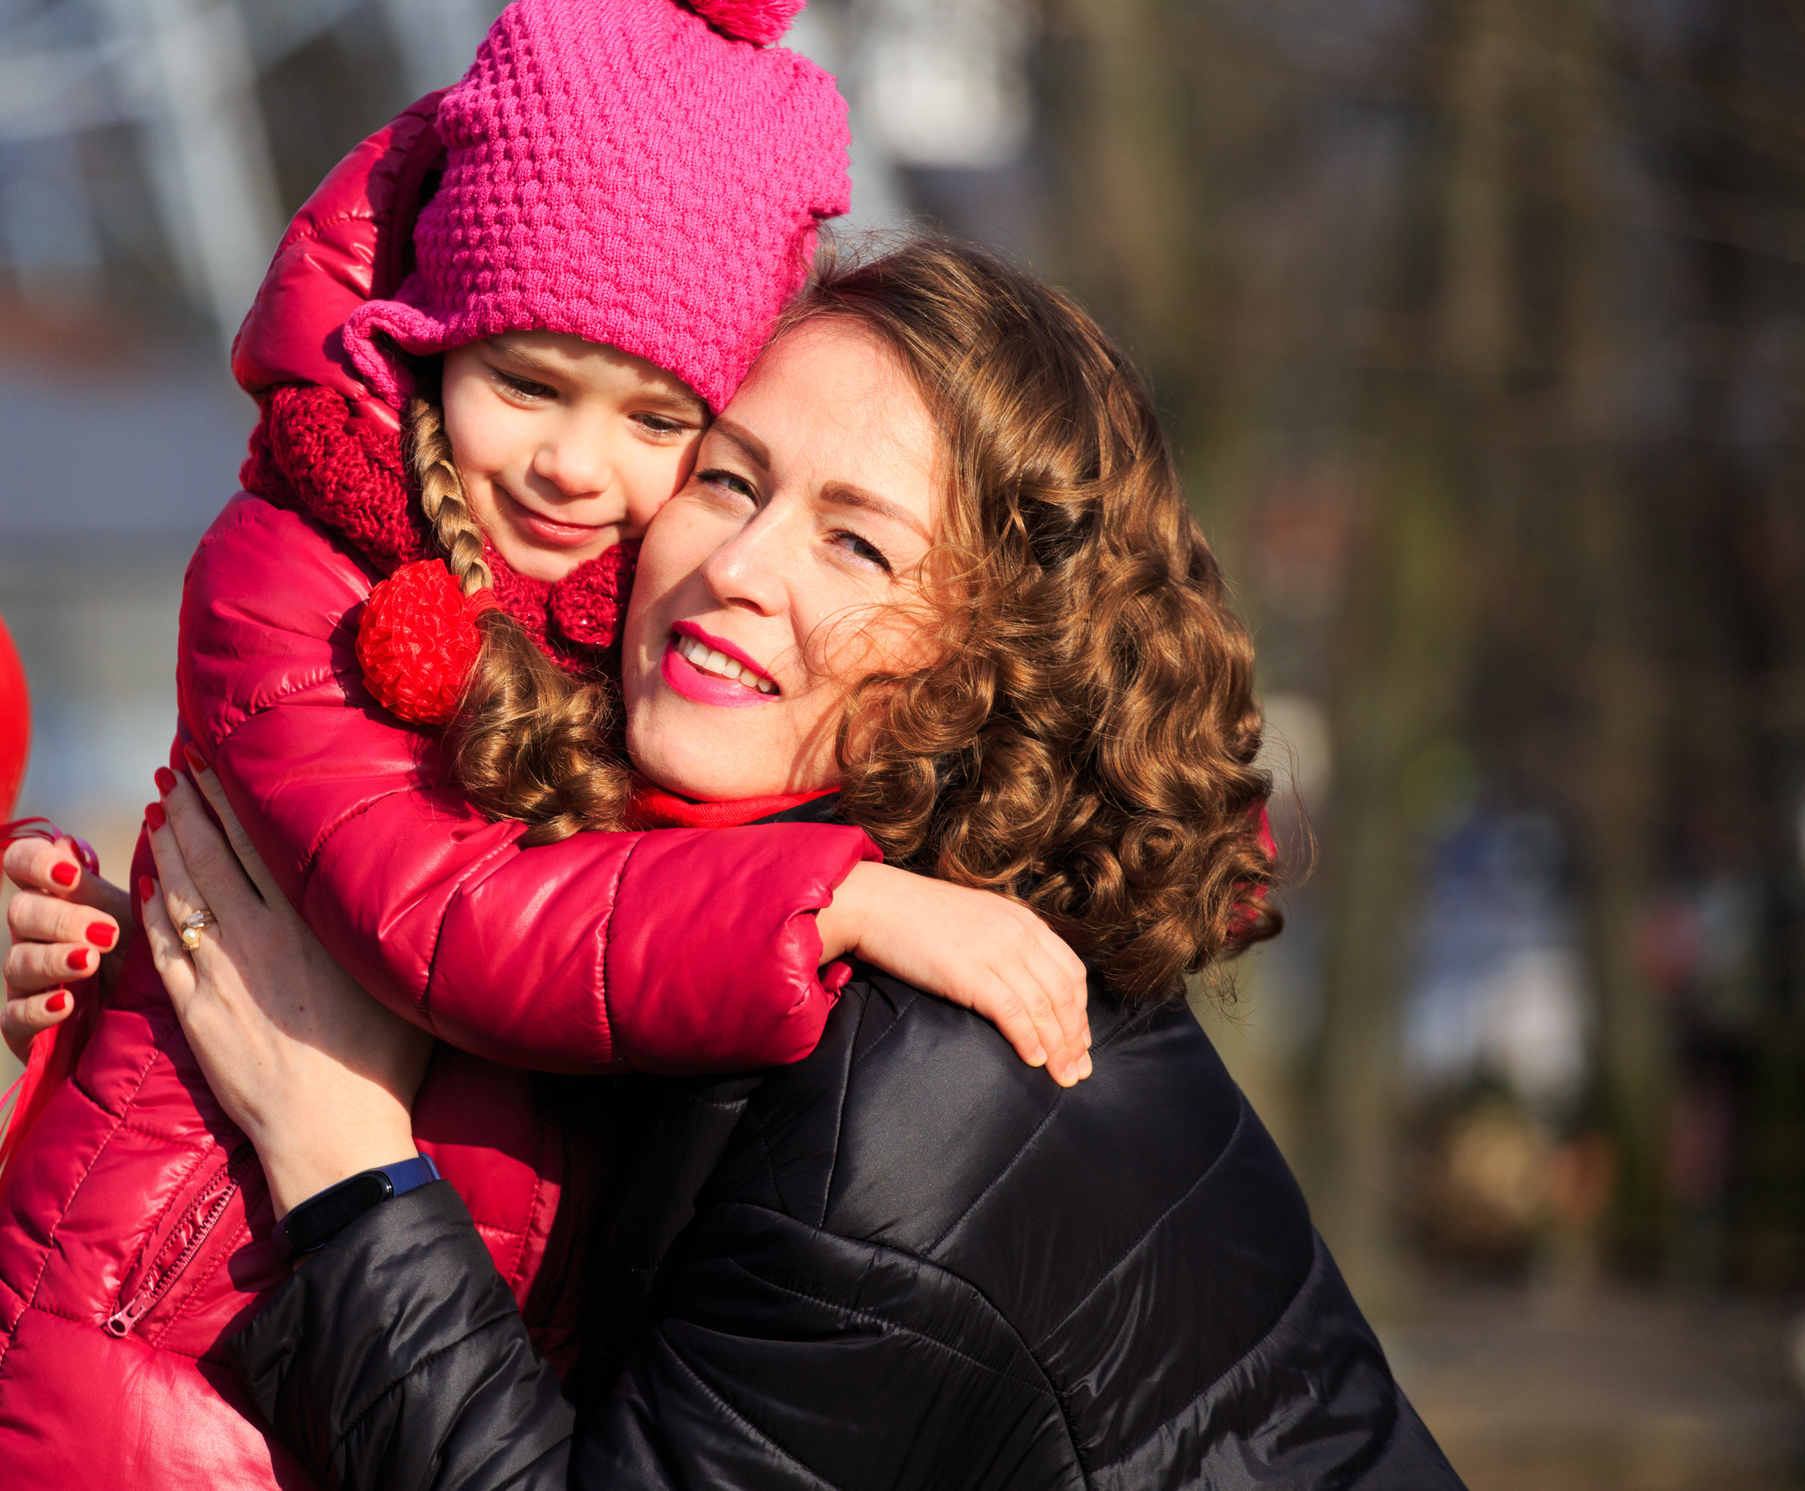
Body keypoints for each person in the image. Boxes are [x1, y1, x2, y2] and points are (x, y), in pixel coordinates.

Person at [0, 0, 1092, 1491]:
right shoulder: (292, 569)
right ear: (434, 336)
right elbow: (452, 921)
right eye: (528, 383)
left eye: (658, 422)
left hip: (311, 1338)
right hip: (144, 1357)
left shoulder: (621, 619)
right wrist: (841, 905)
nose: (574, 465)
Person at [138, 236, 1466, 1489]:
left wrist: (343, 1160)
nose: (737, 565)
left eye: (857, 541)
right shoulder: (699, 905)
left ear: (998, 657)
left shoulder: (920, 1087)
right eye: (729, 478)